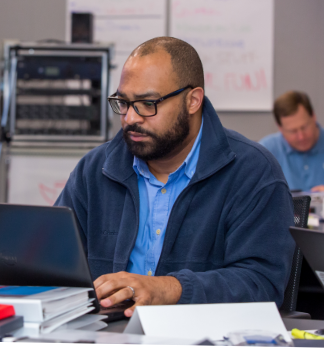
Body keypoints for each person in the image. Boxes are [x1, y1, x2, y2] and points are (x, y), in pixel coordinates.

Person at [55, 37, 295, 318]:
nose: (130, 118)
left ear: (192, 100)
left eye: (147, 103)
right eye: (123, 102)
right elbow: (52, 264)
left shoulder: (253, 172)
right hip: (105, 333)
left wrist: (168, 289)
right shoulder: (95, 170)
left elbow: (261, 284)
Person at [259, 91, 324, 195]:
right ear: (280, 128)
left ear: (313, 116)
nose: (301, 136)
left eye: (304, 127)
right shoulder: (266, 152)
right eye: (293, 131)